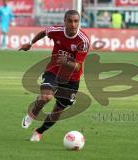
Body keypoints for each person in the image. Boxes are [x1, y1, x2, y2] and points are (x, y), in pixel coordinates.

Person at [19, 10, 90, 142]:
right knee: (46, 96)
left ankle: (39, 132)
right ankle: (32, 114)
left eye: (76, 21)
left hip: (72, 79)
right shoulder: (57, 31)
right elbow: (43, 33)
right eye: (70, 21)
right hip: (53, 71)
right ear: (65, 21)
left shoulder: (83, 40)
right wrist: (30, 43)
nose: (73, 24)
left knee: (58, 110)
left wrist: (67, 62)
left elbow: (78, 66)